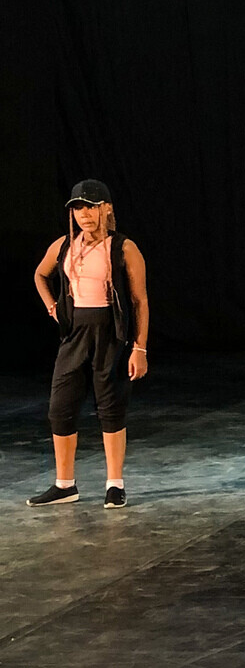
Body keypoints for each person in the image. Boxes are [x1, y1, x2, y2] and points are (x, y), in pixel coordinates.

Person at [29, 180, 149, 510]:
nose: (84, 214)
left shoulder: (123, 248)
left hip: (110, 333)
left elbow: (139, 301)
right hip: (74, 335)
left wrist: (140, 348)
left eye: (91, 207)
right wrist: (53, 307)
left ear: (106, 208)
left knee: (110, 407)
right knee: (60, 408)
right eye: (78, 208)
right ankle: (64, 484)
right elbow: (40, 275)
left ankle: (115, 484)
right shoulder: (64, 245)